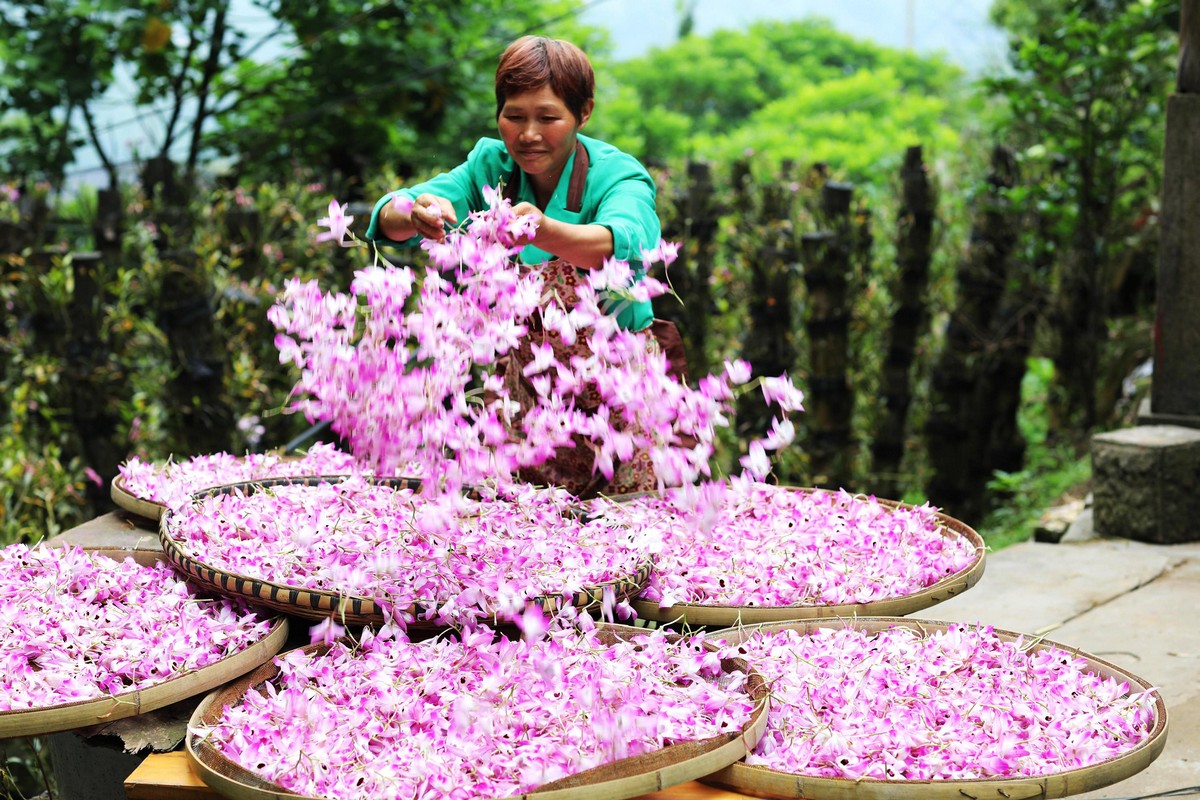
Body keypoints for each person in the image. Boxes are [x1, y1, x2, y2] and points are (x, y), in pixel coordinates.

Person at [365, 34, 659, 333]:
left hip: (619, 365)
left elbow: (624, 243)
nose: (529, 134)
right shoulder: (491, 168)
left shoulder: (619, 175)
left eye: (547, 117)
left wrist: (540, 231)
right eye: (515, 116)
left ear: (583, 113)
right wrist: (416, 214)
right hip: (523, 370)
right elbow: (389, 216)